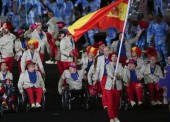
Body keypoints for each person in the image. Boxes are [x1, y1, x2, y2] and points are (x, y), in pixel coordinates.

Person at [105, 52, 123, 122]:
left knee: (116, 103)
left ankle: (115, 116)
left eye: (115, 56)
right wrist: (114, 75)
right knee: (110, 103)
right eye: (112, 56)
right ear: (110, 58)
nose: (114, 57)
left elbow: (121, 75)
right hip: (109, 87)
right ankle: (111, 117)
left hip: (117, 86)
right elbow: (110, 74)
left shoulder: (120, 65)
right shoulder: (107, 65)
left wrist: (118, 76)